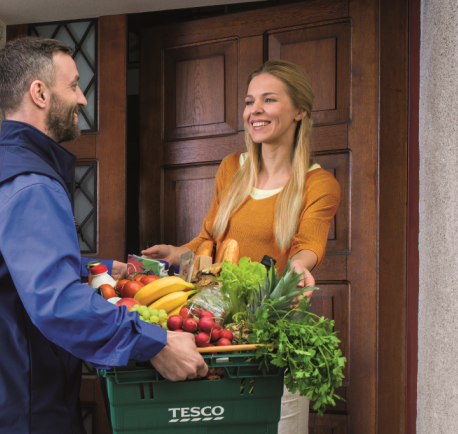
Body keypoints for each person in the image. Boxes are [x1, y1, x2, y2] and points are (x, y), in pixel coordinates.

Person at [0, 37, 208, 434]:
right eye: (74, 86)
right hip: (16, 411)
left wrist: (93, 267)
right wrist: (154, 342)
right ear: (40, 93)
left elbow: (0, 265)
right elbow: (56, 301)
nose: (83, 99)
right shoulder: (30, 181)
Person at [142, 60, 341, 434]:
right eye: (250, 101)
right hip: (217, 331)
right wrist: (175, 252)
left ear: (300, 110)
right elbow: (207, 240)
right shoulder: (232, 167)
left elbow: (309, 243)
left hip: (269, 335)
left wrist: (299, 265)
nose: (255, 111)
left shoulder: (319, 184)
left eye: (269, 99)